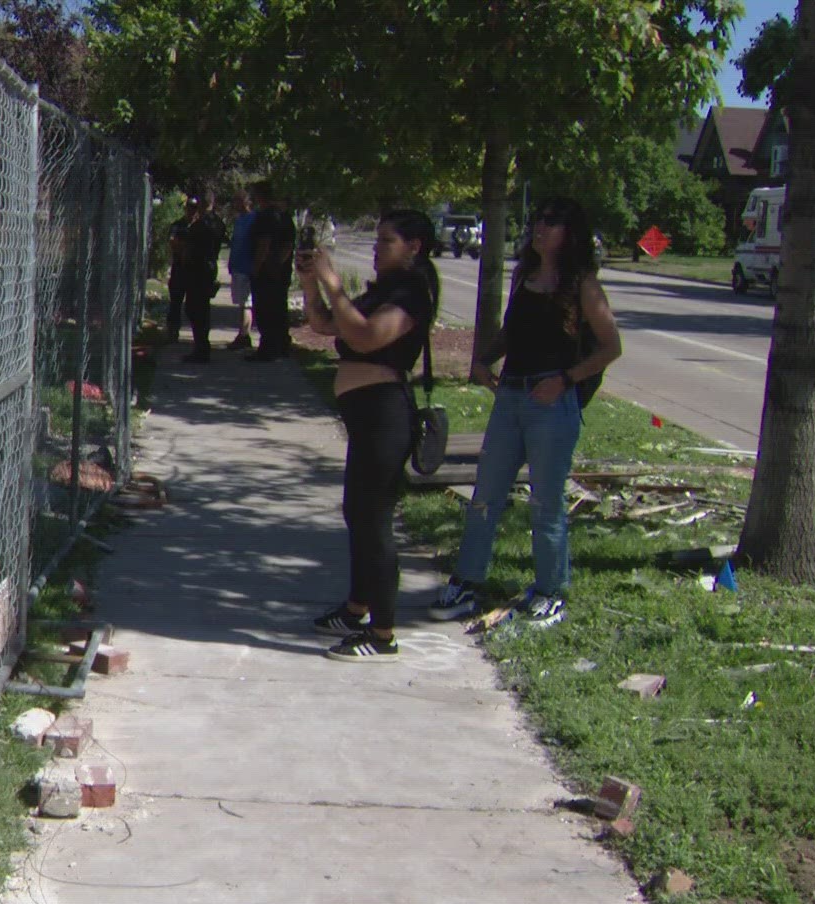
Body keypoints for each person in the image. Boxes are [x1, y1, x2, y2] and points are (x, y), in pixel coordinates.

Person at [429, 195, 624, 628]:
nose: (540, 230)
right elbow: (512, 331)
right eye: (538, 222)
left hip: (551, 403)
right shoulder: (524, 276)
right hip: (510, 398)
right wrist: (484, 360)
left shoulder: (582, 285)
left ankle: (551, 589)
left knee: (545, 502)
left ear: (570, 234)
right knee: (485, 495)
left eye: (551, 224)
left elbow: (612, 346)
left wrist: (566, 379)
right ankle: (468, 580)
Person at [295, 208, 441, 662]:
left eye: (385, 242)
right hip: (364, 415)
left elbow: (366, 337)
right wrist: (310, 282)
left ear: (414, 246)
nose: (376, 249)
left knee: (374, 519)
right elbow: (324, 324)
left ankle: (383, 634)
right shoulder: (385, 289)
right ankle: (357, 609)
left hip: (385, 414)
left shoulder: (413, 290)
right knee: (357, 513)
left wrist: (335, 282)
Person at [166, 195, 225, 361]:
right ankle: (200, 346)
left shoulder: (201, 225)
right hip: (207, 269)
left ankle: (201, 349)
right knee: (199, 309)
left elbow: (189, 249)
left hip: (197, 271)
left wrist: (185, 252)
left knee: (196, 310)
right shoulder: (217, 223)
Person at [246, 183, 296, 362]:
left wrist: (258, 267)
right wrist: (279, 264)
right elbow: (288, 247)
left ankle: (267, 349)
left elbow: (264, 244)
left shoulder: (265, 217)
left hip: (266, 273)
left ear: (261, 197)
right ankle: (282, 345)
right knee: (279, 309)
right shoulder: (285, 218)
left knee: (265, 311)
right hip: (280, 273)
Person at [226, 191, 258, 350]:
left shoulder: (254, 219)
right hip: (237, 265)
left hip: (247, 266)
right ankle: (242, 333)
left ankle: (244, 335)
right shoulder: (239, 220)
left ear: (247, 202)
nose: (236, 205)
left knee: (246, 303)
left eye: (238, 202)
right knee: (240, 302)